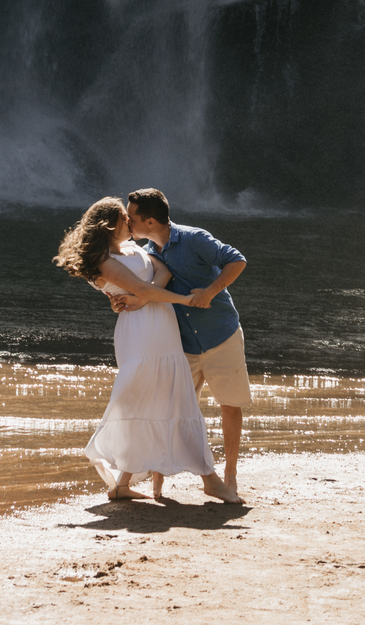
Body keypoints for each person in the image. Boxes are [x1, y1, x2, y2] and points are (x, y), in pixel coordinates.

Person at [54, 196, 241, 504]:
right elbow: (141, 288)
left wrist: (147, 298)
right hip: (140, 331)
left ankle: (122, 483)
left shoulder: (130, 248)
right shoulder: (102, 260)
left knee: (152, 401)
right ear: (109, 224)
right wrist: (185, 300)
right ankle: (210, 478)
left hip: (159, 324)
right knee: (170, 400)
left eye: (131, 217)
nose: (129, 222)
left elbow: (162, 271)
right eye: (123, 218)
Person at [117, 188, 251, 498]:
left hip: (221, 335)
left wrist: (211, 291)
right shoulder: (149, 252)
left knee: (229, 406)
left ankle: (229, 474)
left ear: (150, 221)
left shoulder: (195, 238)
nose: (127, 222)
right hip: (182, 346)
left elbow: (237, 261)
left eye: (131, 218)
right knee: (170, 411)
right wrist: (126, 301)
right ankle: (158, 484)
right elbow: (149, 290)